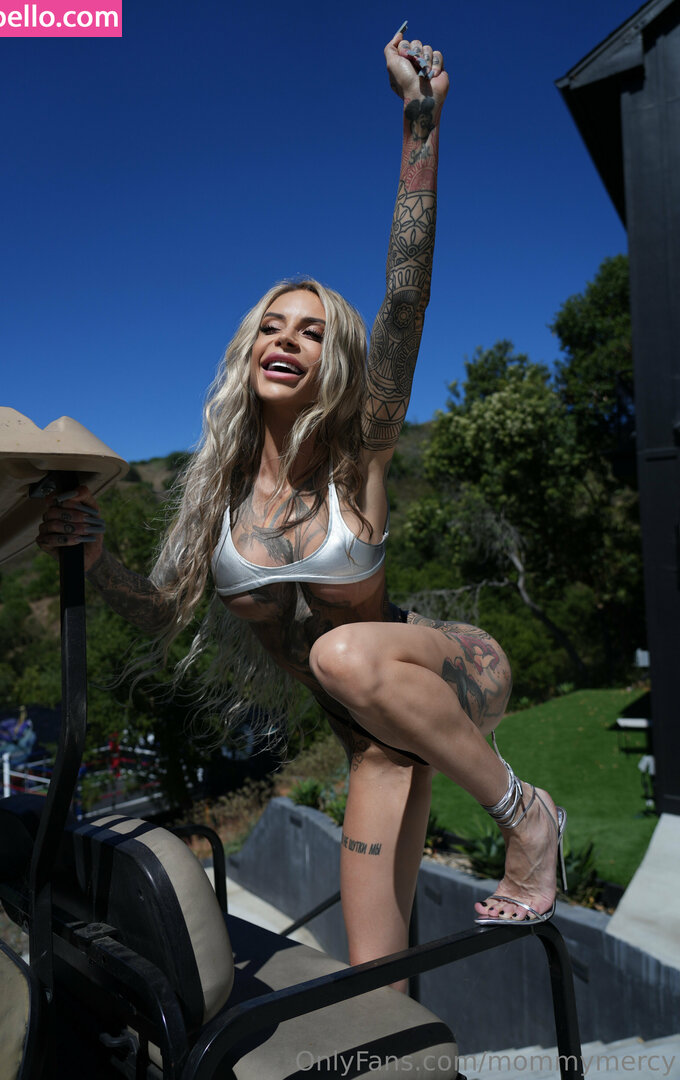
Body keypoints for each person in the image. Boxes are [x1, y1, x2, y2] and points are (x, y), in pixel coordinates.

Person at [38, 27, 566, 990]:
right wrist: (98, 557)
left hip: (451, 669)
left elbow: (404, 302)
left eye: (312, 332)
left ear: (338, 358)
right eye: (272, 328)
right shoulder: (219, 502)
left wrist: (420, 126)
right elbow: (159, 614)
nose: (287, 341)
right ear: (248, 351)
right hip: (376, 740)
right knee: (375, 981)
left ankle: (528, 816)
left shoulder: (358, 454)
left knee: (340, 654)